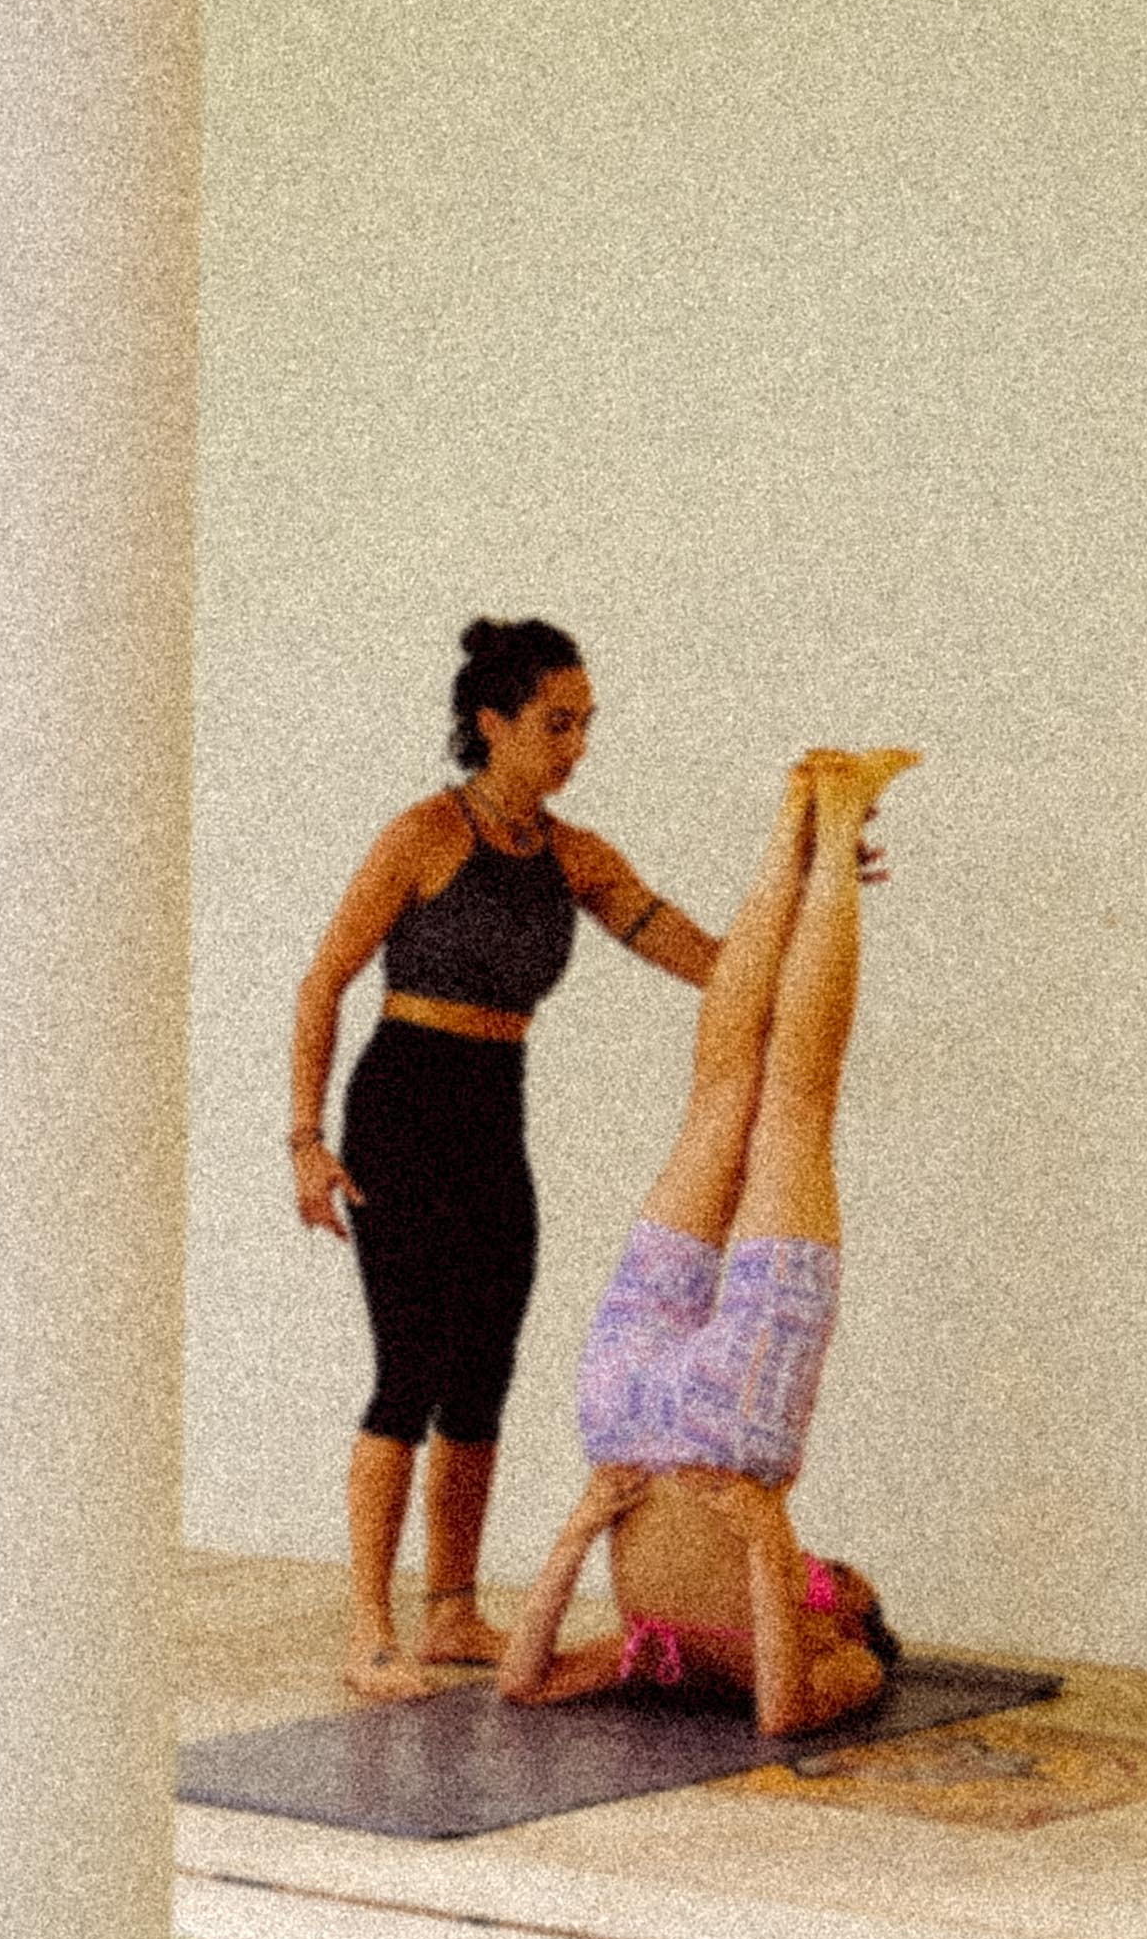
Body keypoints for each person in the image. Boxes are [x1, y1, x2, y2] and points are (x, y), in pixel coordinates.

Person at [287, 620, 720, 1698]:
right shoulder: (422, 836)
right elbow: (322, 981)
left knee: (482, 1370)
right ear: (492, 723)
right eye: (555, 724)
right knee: (407, 1370)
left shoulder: (576, 857)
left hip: (493, 1113)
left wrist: (813, 884)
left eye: (584, 724)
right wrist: (305, 1140)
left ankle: (451, 1611)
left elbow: (702, 955)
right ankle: (369, 1628)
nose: (576, 746)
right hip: (401, 1108)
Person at [500, 748, 916, 1746]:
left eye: (840, 1584)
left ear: (850, 1620)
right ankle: (809, 822)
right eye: (839, 1577)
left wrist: (585, 1523)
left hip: (641, 1432)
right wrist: (769, 1543)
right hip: (697, 1430)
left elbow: (528, 1682)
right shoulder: (799, 1638)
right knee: (765, 1101)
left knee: (759, 1099)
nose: (833, 1574)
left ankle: (816, 817)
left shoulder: (704, 1652)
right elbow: (780, 1706)